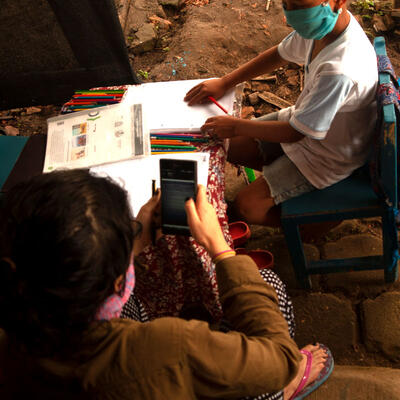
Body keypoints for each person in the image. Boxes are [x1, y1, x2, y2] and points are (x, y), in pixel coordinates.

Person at [0, 169, 333, 399]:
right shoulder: (170, 347)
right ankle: (278, 393)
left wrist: (134, 240)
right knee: (267, 283)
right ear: (115, 281)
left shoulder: (17, 323)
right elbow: (280, 358)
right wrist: (220, 249)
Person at [184, 0, 378, 228]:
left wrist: (236, 126)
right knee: (227, 146)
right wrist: (225, 82)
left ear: (338, 2)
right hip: (306, 123)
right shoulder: (323, 28)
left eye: (299, 5)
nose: (290, 15)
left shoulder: (340, 71)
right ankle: (280, 181)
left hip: (328, 156)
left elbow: (296, 132)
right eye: (286, 3)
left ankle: (315, 223)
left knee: (246, 207)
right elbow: (280, 54)